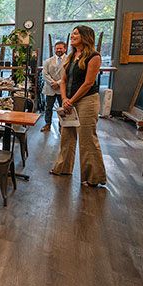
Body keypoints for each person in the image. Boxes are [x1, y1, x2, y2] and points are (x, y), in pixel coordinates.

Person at [50, 25, 107, 187]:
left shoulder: (94, 56)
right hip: (68, 99)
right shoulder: (71, 56)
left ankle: (93, 177)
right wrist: (64, 98)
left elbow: (89, 83)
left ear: (85, 36)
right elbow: (64, 80)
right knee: (66, 135)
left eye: (76, 34)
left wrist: (71, 100)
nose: (73, 36)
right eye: (72, 34)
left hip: (87, 100)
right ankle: (63, 167)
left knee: (87, 137)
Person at [41, 41, 66, 132]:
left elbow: (68, 74)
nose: (59, 50)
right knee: (48, 107)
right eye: (57, 48)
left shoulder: (68, 60)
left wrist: (58, 83)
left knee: (62, 108)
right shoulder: (48, 61)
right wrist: (52, 83)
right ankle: (47, 124)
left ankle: (62, 125)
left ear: (65, 49)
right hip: (50, 88)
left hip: (62, 88)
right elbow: (45, 74)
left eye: (60, 48)